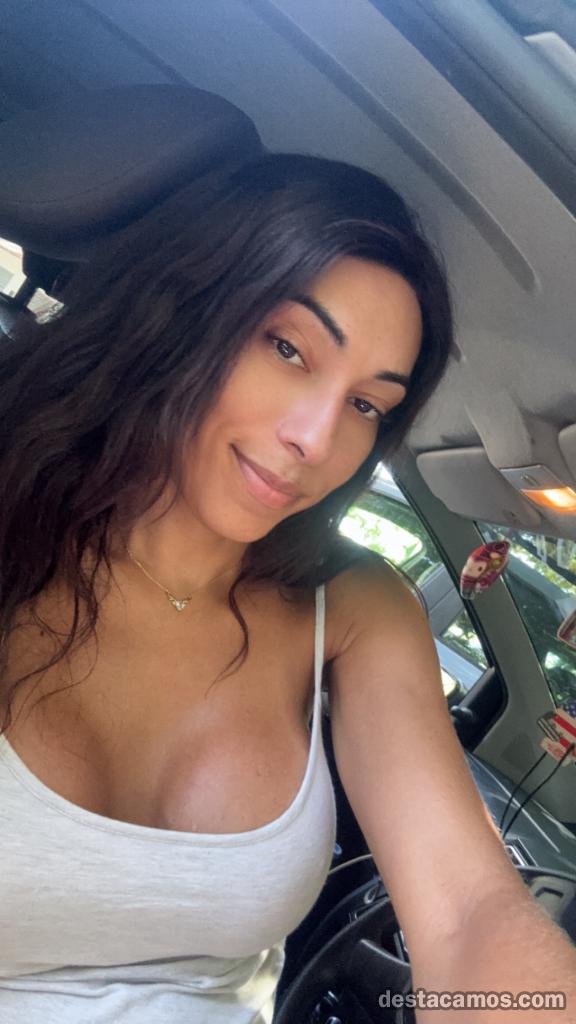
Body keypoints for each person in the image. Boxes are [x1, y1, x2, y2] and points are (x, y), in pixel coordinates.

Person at [0, 153, 574, 1024]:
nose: (315, 437)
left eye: (367, 405)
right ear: (185, 314)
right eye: (288, 348)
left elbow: (468, 914)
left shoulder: (355, 609)